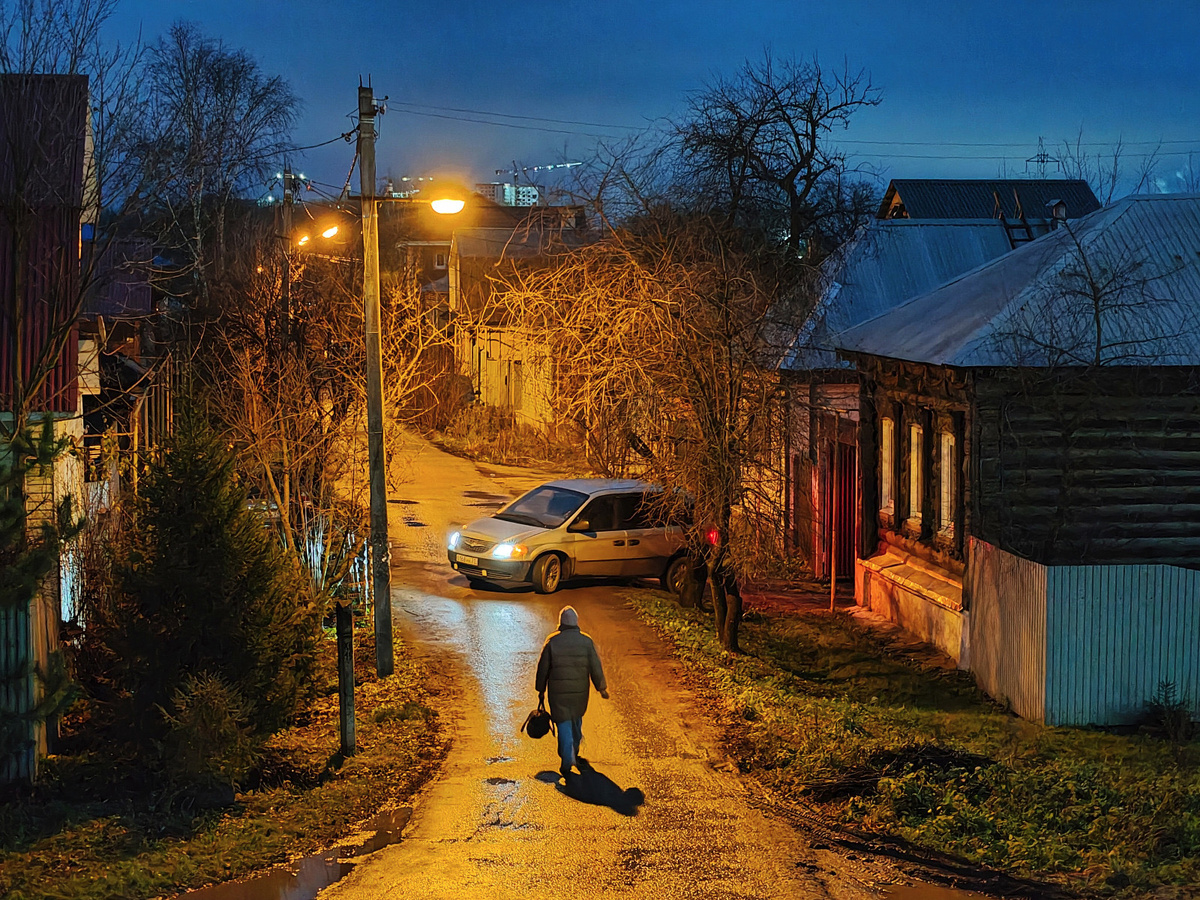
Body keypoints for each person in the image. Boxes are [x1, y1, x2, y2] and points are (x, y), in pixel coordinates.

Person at [535, 605, 608, 778]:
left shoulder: (552, 641)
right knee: (576, 719)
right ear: (576, 622)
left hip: (558, 693)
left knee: (563, 723)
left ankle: (567, 757)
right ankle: (574, 748)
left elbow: (543, 668)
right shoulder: (586, 641)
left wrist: (540, 689)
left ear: (561, 623)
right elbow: (595, 667)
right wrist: (601, 687)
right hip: (580, 692)